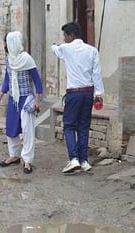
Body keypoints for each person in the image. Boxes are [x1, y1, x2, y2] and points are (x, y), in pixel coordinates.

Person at [51, 22, 104, 173]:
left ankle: (73, 159)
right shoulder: (92, 50)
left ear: (70, 35)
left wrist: (54, 45)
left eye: (65, 36)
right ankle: (84, 160)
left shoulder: (66, 48)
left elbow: (55, 49)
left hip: (74, 93)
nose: (64, 38)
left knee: (68, 126)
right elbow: (96, 73)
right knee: (83, 127)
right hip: (88, 92)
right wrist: (98, 94)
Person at [0, 31, 42, 174]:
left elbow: (37, 81)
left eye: (7, 43)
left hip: (26, 98)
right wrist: (0, 96)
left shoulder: (27, 59)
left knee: (27, 130)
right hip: (13, 99)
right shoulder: (9, 59)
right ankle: (14, 155)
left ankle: (27, 160)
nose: (5, 46)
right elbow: (7, 79)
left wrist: (38, 101)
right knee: (11, 128)